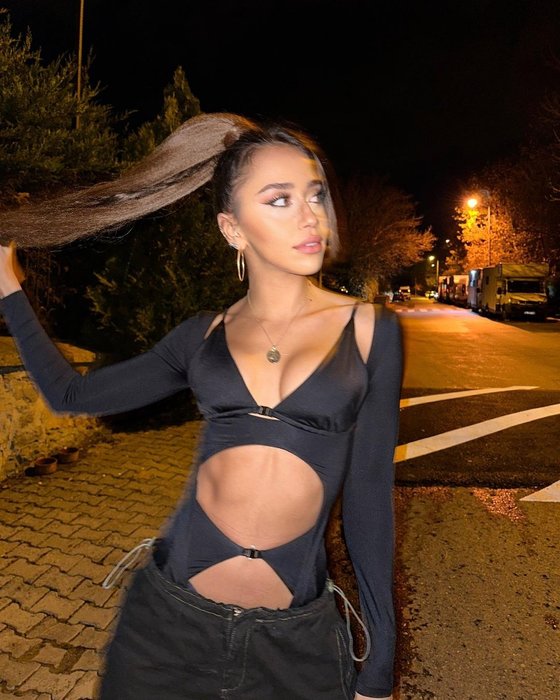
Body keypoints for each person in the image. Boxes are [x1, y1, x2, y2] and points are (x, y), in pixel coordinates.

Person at [0, 112, 403, 699]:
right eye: (280, 199)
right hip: (170, 623)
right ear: (232, 229)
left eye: (315, 195)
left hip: (293, 640)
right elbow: (71, 395)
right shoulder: (201, 337)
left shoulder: (370, 331)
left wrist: (379, 664)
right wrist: (9, 289)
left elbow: (369, 499)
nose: (311, 216)